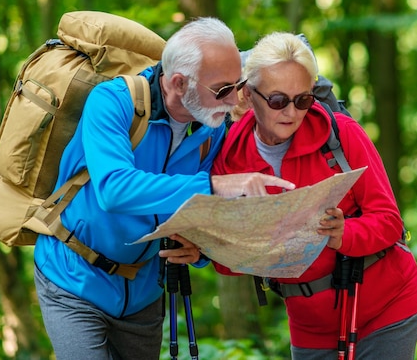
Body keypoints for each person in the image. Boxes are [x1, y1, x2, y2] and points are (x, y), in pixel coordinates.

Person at [33, 18, 295, 360]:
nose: (234, 100)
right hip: (74, 278)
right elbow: (114, 189)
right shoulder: (112, 102)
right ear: (178, 82)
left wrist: (198, 249)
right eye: (222, 90)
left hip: (143, 291)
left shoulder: (210, 128)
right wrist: (215, 185)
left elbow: (194, 210)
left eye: (238, 84)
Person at [212, 32, 417, 360]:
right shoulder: (230, 158)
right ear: (248, 94)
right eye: (278, 100)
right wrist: (209, 246)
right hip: (309, 325)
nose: (292, 112)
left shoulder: (341, 135)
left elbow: (388, 221)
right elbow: (231, 264)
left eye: (302, 100)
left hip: (386, 307)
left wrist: (344, 234)